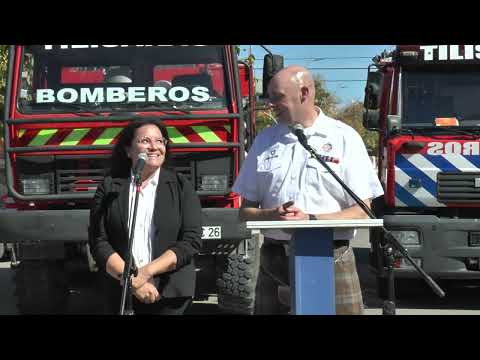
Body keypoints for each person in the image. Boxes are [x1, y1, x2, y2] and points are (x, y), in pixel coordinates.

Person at [232, 66, 383, 315]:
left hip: (332, 256)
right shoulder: (264, 140)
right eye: (269, 97)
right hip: (275, 259)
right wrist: (272, 215)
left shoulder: (344, 137)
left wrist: (312, 220)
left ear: (304, 92)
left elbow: (363, 210)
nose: (271, 105)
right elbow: (245, 212)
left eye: (278, 97)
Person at [89, 118, 203, 315]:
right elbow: (99, 240)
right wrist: (132, 282)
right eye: (145, 141)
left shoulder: (181, 185)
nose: (154, 147)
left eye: (160, 141)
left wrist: (146, 273)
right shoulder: (109, 187)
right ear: (128, 150)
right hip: (121, 291)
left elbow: (191, 241)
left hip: (169, 291)